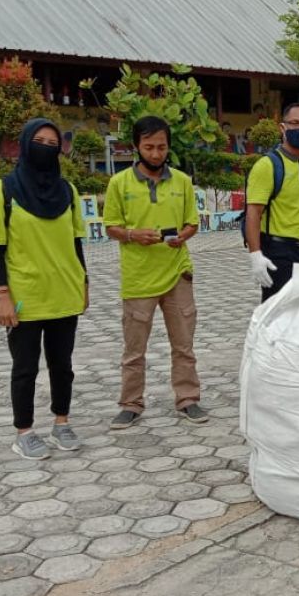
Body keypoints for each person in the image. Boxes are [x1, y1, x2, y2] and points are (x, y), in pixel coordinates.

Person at [0, 118, 87, 460]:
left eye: (52, 143)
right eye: (39, 140)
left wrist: (84, 282)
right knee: (25, 368)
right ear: (25, 144)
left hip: (65, 292)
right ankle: (24, 431)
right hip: (24, 296)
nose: (45, 147)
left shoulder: (67, 191)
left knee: (63, 365)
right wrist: (2, 296)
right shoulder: (3, 190)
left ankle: (61, 422)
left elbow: (76, 241)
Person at [103, 116, 207, 429]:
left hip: (177, 273)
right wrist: (134, 235)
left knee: (184, 345)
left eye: (161, 147)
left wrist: (183, 237)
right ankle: (131, 404)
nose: (156, 153)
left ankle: (188, 399)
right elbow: (110, 226)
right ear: (136, 146)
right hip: (138, 278)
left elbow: (192, 223)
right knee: (134, 350)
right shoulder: (119, 183)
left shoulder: (182, 182)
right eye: (148, 147)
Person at [245, 102, 299, 302]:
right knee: (278, 316)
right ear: (283, 128)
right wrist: (255, 255)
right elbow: (253, 213)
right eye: (295, 123)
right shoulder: (268, 165)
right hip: (279, 252)